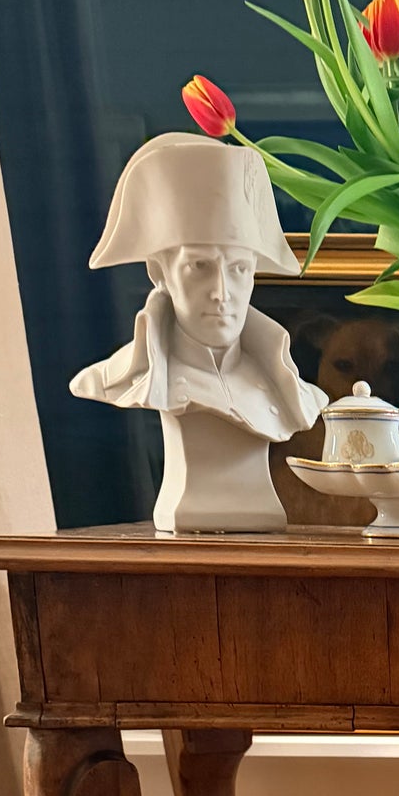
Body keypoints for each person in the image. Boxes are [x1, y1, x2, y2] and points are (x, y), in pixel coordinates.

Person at [72, 133, 326, 531]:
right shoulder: (118, 378)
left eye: (239, 269)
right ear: (160, 273)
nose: (222, 293)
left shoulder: (294, 388)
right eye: (199, 267)